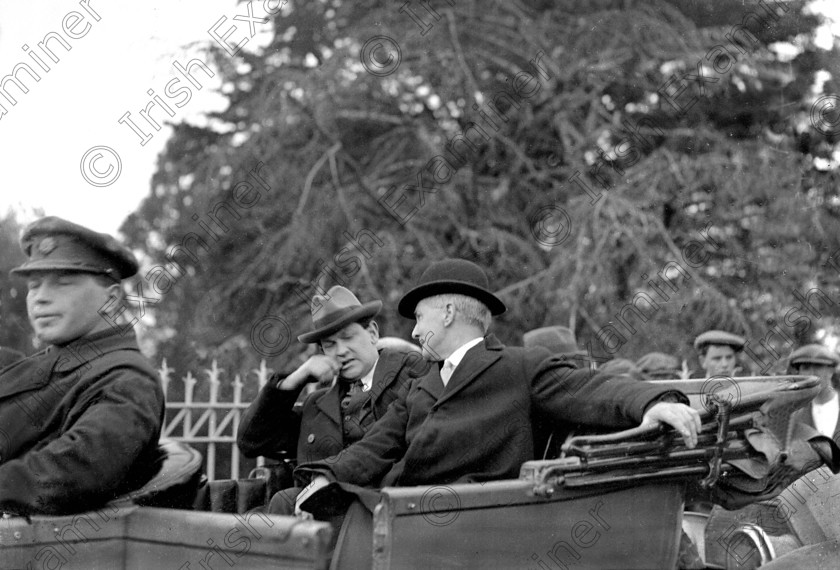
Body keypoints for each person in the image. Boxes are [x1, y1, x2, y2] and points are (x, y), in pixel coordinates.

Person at [295, 258, 700, 512]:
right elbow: (379, 443)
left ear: (450, 312)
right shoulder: (424, 383)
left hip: (473, 519)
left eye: (420, 318)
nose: (415, 332)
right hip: (400, 509)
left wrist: (656, 403)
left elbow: (592, 389)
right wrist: (328, 475)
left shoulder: (517, 366)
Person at [0, 217, 165, 515]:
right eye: (34, 286)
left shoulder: (127, 379)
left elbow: (71, 472)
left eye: (62, 284)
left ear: (112, 300)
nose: (40, 299)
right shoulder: (44, 363)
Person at [237, 285, 427, 514]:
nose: (341, 351)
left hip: (385, 511)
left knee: (281, 506)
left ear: (373, 333)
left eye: (348, 337)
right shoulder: (317, 406)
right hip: (318, 517)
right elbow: (251, 441)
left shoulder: (411, 376)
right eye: (330, 345)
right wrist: (294, 380)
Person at [788, 344, 840, 440]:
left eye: (818, 366)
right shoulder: (795, 419)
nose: (812, 374)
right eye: (806, 368)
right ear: (799, 374)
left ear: (831, 371)